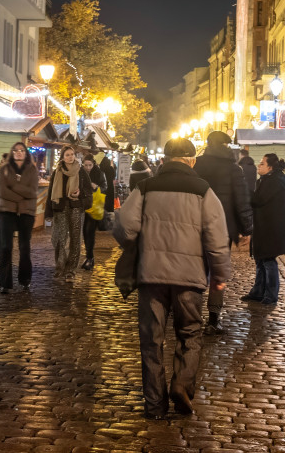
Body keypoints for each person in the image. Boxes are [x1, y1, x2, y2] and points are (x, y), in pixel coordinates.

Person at [114, 138, 231, 419]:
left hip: (151, 277)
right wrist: (220, 276)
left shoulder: (145, 187)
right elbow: (217, 240)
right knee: (190, 333)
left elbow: (124, 229)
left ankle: (154, 404)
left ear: (164, 160)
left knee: (151, 340)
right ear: (191, 161)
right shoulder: (204, 191)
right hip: (189, 279)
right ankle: (181, 385)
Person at [192, 130, 252, 335]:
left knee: (196, 270)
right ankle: (214, 318)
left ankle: (190, 313)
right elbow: (241, 200)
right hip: (223, 228)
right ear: (226, 146)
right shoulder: (233, 168)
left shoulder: (197, 165)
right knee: (218, 274)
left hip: (196, 225)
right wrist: (247, 229)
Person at [242, 153, 285, 306]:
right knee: (261, 260)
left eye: (262, 163)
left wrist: (245, 190)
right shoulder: (268, 180)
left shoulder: (272, 182)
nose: (259, 166)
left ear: (270, 167)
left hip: (271, 229)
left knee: (268, 261)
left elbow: (258, 200)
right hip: (265, 227)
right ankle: (258, 292)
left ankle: (271, 295)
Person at [0, 142, 40, 293]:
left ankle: (25, 279)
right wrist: (21, 193)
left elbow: (32, 192)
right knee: (6, 247)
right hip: (7, 212)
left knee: (24, 247)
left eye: (22, 150)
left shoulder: (32, 170)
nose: (19, 153)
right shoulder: (5, 169)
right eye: (16, 151)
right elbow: (2, 191)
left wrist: (13, 185)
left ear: (26, 153)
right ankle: (5, 283)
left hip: (26, 213)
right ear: (12, 152)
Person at [47, 146, 92, 279]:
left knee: (75, 238)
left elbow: (88, 190)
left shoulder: (81, 171)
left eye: (72, 154)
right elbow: (51, 192)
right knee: (60, 238)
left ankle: (71, 269)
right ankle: (60, 266)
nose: (70, 157)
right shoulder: (57, 172)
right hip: (60, 208)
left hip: (76, 207)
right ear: (62, 157)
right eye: (67, 155)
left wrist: (80, 193)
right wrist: (48, 212)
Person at [80, 154, 108, 270]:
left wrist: (96, 187)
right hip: (82, 205)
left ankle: (90, 257)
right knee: (84, 232)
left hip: (94, 205)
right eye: (85, 165)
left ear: (94, 164)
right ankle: (88, 257)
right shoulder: (80, 173)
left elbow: (105, 186)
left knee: (89, 231)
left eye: (90, 165)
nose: (87, 167)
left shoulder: (99, 173)